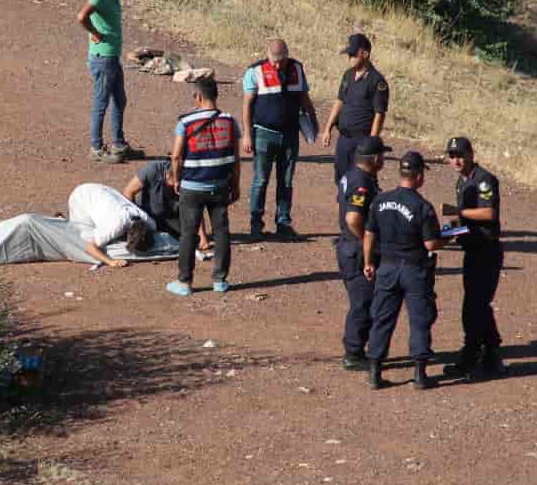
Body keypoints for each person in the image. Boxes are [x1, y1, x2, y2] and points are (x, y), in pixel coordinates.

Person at [362, 151, 447, 390]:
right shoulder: (423, 206)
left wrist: (368, 262)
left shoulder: (380, 201)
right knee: (419, 320)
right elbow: (430, 244)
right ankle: (419, 374)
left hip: (387, 267)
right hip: (415, 271)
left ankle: (374, 371)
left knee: (382, 319)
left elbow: (369, 234)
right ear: (419, 176)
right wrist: (448, 238)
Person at [166, 80, 242, 296]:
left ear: (198, 97)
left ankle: (185, 282)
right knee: (221, 231)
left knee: (188, 233)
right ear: (216, 95)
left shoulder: (186, 122)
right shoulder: (229, 121)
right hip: (220, 185)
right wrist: (235, 185)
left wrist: (177, 178)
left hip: (192, 186)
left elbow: (177, 155)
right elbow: (236, 159)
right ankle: (220, 280)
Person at [440, 136, 505, 379]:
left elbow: (489, 213)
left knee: (474, 308)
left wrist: (459, 212)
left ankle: (471, 355)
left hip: (486, 251)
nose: (456, 160)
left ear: (471, 154)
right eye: (452, 156)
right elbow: (462, 222)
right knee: (479, 306)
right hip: (472, 250)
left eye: (460, 155)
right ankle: (492, 355)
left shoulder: (484, 180)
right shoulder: (462, 183)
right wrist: (442, 236)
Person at [242, 39, 318, 240]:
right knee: (260, 180)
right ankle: (256, 224)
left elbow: (305, 98)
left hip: (290, 135)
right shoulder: (254, 71)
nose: (277, 65)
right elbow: (247, 105)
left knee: (286, 181)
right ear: (268, 55)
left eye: (281, 61)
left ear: (287, 55)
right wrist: (247, 134)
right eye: (274, 61)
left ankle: (283, 222)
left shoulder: (297, 68)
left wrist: (313, 120)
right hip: (263, 134)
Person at [77, 0, 143, 164]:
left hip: (112, 57)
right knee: (101, 102)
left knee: (119, 100)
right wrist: (94, 33)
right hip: (103, 57)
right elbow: (81, 16)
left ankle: (118, 144)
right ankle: (96, 149)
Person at [336, 135, 390, 371]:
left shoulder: (352, 174)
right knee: (363, 303)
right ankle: (354, 353)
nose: (384, 160)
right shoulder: (362, 182)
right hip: (357, 251)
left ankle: (356, 349)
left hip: (349, 248)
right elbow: (353, 218)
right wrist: (367, 241)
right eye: (383, 156)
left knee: (364, 301)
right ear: (375, 158)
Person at [321, 34, 390, 185]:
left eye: (353, 54)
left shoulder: (377, 81)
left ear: (365, 54)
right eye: (348, 54)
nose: (349, 58)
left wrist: (372, 143)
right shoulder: (348, 75)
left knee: (362, 181)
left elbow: (379, 114)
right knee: (341, 181)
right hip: (344, 139)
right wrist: (327, 128)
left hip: (363, 141)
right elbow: (339, 101)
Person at [122, 161, 210, 249]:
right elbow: (128, 192)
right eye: (173, 185)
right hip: (147, 215)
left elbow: (194, 206)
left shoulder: (187, 180)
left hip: (171, 216)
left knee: (189, 237)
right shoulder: (152, 171)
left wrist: (203, 238)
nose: (176, 188)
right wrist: (134, 222)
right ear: (167, 175)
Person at [67, 183, 155, 267]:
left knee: (105, 235)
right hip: (81, 197)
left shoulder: (150, 222)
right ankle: (62, 221)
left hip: (100, 190)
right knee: (85, 238)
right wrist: (111, 262)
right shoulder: (115, 227)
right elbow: (90, 247)